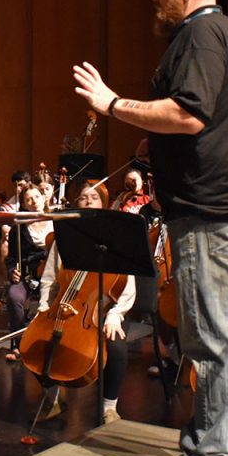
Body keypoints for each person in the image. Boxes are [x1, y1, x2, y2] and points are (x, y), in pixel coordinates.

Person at [73, 0, 228, 456]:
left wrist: (113, 103)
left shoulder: (197, 38)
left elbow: (190, 113)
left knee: (212, 336)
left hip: (216, 214)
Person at [34, 181, 135, 424]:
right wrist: (44, 308)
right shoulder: (63, 238)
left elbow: (127, 286)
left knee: (116, 346)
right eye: (82, 197)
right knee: (37, 341)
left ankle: (108, 406)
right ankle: (53, 396)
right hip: (64, 305)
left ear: (104, 204)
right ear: (75, 203)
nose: (88, 201)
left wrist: (115, 314)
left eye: (94, 197)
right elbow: (49, 279)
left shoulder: (116, 238)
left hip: (104, 308)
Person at [0, 185, 52, 361]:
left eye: (37, 196)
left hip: (53, 275)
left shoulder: (56, 223)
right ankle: (19, 343)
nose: (34, 201)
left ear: (44, 198)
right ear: (23, 204)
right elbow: (12, 258)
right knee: (14, 296)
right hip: (29, 275)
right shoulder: (18, 229)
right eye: (29, 199)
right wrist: (12, 270)